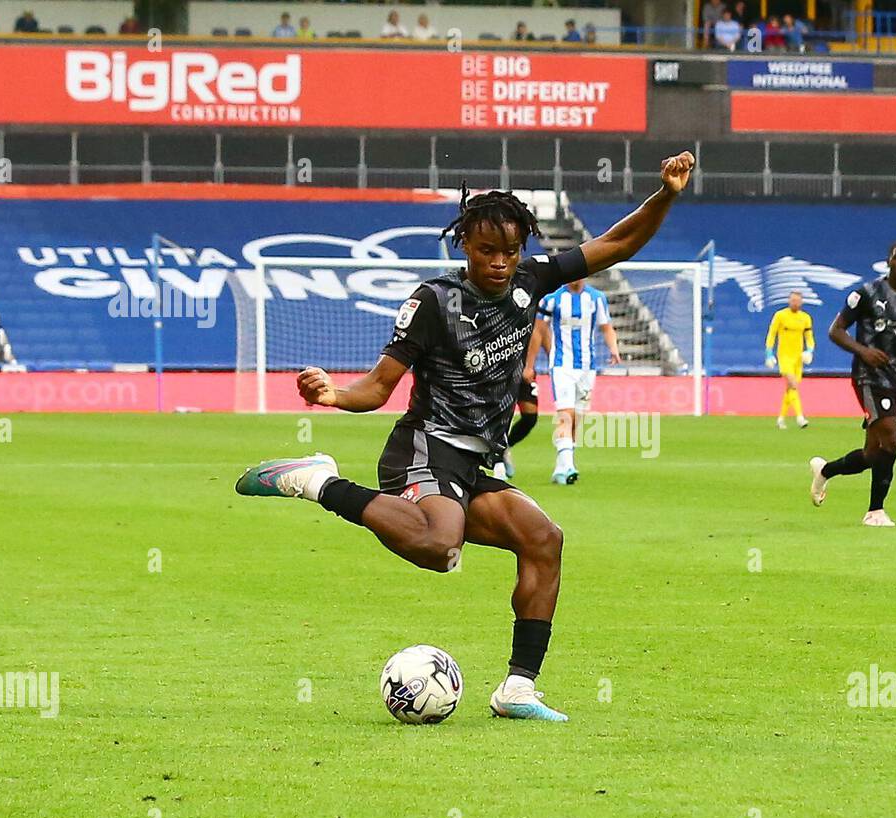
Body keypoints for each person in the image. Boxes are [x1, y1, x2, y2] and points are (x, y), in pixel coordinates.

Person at [234, 152, 696, 723]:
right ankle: (319, 482)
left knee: (543, 539)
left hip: (477, 461)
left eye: (510, 251)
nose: (500, 263)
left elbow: (619, 245)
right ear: (465, 248)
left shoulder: (533, 280)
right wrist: (332, 394)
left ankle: (518, 690)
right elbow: (380, 387)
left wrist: (667, 194)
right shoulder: (433, 302)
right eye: (486, 251)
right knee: (439, 547)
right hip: (424, 449)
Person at [808, 240, 896, 527]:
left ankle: (825, 471)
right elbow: (836, 331)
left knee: (873, 453)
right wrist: (863, 351)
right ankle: (875, 511)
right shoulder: (868, 293)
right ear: (889, 261)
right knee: (893, 439)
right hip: (867, 376)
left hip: (895, 378)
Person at [534, 279, 620, 484]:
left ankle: (561, 467)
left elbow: (606, 327)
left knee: (577, 418)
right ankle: (569, 466)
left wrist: (614, 348)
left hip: (587, 368)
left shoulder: (597, 299)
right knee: (566, 414)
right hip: (562, 365)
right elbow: (538, 329)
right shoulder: (552, 299)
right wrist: (531, 362)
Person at [493, 321, 552, 481]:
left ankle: (505, 447)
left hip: (524, 374)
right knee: (502, 417)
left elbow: (541, 332)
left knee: (530, 418)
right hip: (501, 373)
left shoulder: (535, 319)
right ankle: (497, 463)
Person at [765, 290, 814, 429]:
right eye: (793, 300)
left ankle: (781, 419)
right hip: (784, 356)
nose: (795, 303)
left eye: (797, 301)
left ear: (801, 302)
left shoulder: (805, 318)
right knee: (793, 384)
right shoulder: (780, 315)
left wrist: (809, 351)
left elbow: (809, 338)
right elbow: (772, 334)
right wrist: (769, 353)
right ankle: (800, 417)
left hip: (797, 357)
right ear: (789, 301)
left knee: (790, 389)